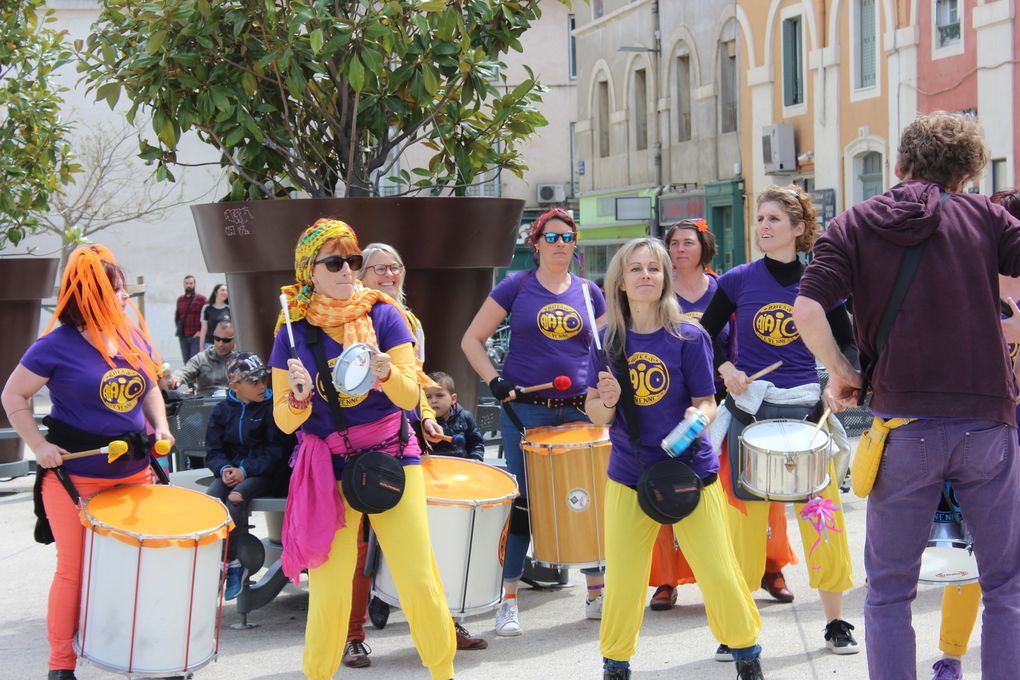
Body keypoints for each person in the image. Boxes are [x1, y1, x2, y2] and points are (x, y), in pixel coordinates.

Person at [793, 111, 1020, 680]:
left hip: (902, 428)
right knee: (1006, 586)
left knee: (890, 590)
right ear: (967, 173)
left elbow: (806, 309)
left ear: (898, 165)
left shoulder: (854, 223)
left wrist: (843, 369)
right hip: (985, 420)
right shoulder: (985, 217)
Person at [268, 218, 456, 680]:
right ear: (309, 270)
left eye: (352, 260)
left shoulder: (382, 314)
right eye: (335, 261)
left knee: (416, 576)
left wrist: (388, 372)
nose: (348, 270)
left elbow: (413, 396)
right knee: (330, 587)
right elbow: (283, 420)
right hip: (328, 465)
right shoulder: (292, 330)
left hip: (393, 453)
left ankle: (443, 671)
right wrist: (296, 396)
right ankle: (318, 673)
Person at [586, 237, 765, 680]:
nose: (645, 275)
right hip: (630, 473)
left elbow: (708, 401)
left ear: (665, 277)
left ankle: (747, 655)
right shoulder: (607, 340)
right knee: (625, 580)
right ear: (621, 282)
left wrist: (696, 419)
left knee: (719, 573)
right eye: (635, 269)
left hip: (692, 472)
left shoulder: (689, 335)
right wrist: (606, 399)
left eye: (653, 268)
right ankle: (616, 663)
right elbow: (597, 413)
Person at [700, 185, 859, 660]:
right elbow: (700, 340)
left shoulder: (821, 282)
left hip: (807, 416)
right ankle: (738, 628)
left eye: (773, 219)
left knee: (822, 523)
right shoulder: (737, 281)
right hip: (751, 416)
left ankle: (835, 622)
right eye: (761, 219)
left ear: (798, 228)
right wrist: (724, 369)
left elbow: (849, 347)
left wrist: (839, 381)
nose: (763, 227)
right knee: (743, 528)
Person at [1, 244, 173, 680]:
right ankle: (61, 664)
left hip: (135, 474)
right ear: (90, 296)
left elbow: (149, 383)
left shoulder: (130, 336)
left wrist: (161, 427)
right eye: (115, 290)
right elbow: (13, 396)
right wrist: (39, 446)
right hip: (74, 479)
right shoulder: (53, 346)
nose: (123, 297)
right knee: (74, 571)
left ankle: (153, 653)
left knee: (144, 567)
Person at [462, 207, 607, 636]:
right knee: (523, 503)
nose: (560, 244)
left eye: (567, 238)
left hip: (581, 410)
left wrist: (606, 391)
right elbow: (471, 340)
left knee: (588, 499)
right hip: (526, 410)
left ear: (575, 244)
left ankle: (596, 593)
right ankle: (508, 600)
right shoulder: (516, 286)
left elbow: (603, 350)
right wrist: (495, 380)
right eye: (552, 237)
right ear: (537, 242)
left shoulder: (587, 292)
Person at [341, 242, 485, 669]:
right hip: (353, 448)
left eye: (394, 267)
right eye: (378, 268)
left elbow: (413, 382)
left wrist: (424, 417)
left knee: (425, 544)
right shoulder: (343, 318)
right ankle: (351, 635)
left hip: (401, 442)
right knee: (358, 544)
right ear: (360, 275)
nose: (388, 274)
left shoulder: (408, 321)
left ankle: (442, 627)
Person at [649, 220, 797, 611]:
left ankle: (770, 566)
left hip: (726, 403)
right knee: (668, 489)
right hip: (670, 406)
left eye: (688, 242)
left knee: (755, 491)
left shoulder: (724, 287)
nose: (680, 249)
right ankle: (667, 577)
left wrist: (734, 374)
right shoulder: (658, 292)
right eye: (674, 243)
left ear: (704, 248)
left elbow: (744, 339)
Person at [913, 187, 1020, 680]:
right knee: (976, 556)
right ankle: (952, 655)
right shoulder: (972, 289)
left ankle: (950, 657)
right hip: (985, 435)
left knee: (979, 557)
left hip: (981, 433)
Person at [205, 352, 288, 600]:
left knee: (237, 497)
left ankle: (236, 564)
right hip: (235, 472)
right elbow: (214, 451)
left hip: (269, 475)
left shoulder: (272, 408)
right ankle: (220, 562)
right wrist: (225, 470)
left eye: (263, 380)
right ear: (235, 387)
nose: (262, 386)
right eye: (254, 382)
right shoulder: (222, 411)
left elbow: (276, 453)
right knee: (213, 499)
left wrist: (245, 470)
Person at [426, 371, 485, 461]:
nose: (434, 400)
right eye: (428, 397)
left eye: (439, 395)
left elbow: (476, 443)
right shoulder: (422, 421)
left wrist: (475, 459)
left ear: (453, 399)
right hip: (433, 466)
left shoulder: (465, 416)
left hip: (461, 466)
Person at [169, 319, 238, 395]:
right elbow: (185, 372)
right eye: (217, 339)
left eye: (225, 340)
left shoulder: (240, 359)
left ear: (235, 340)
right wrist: (175, 379)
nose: (220, 344)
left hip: (232, 402)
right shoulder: (202, 358)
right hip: (205, 402)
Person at [175, 274, 206, 363]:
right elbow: (177, 317)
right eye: (187, 283)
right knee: (186, 362)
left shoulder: (201, 299)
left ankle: (195, 377)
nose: (189, 285)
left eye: (191, 283)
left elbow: (207, 316)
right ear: (184, 285)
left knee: (194, 362)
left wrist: (201, 332)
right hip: (183, 337)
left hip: (195, 337)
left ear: (194, 284)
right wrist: (180, 330)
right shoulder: (180, 299)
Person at [199, 283, 231, 349]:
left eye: (226, 290)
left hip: (226, 345)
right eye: (222, 290)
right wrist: (201, 347)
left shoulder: (229, 309)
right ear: (216, 293)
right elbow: (204, 328)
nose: (225, 292)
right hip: (210, 344)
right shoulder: (207, 308)